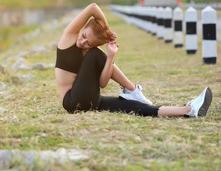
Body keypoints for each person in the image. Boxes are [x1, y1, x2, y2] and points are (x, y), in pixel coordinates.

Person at [55, 3, 212, 117]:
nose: (83, 42)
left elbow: (102, 83)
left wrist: (110, 56)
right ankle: (132, 89)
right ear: (81, 30)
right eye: (83, 36)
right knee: (96, 54)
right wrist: (106, 30)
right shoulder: (68, 38)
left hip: (88, 100)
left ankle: (189, 110)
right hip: (72, 101)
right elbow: (93, 8)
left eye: (89, 43)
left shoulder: (91, 55)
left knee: (136, 106)